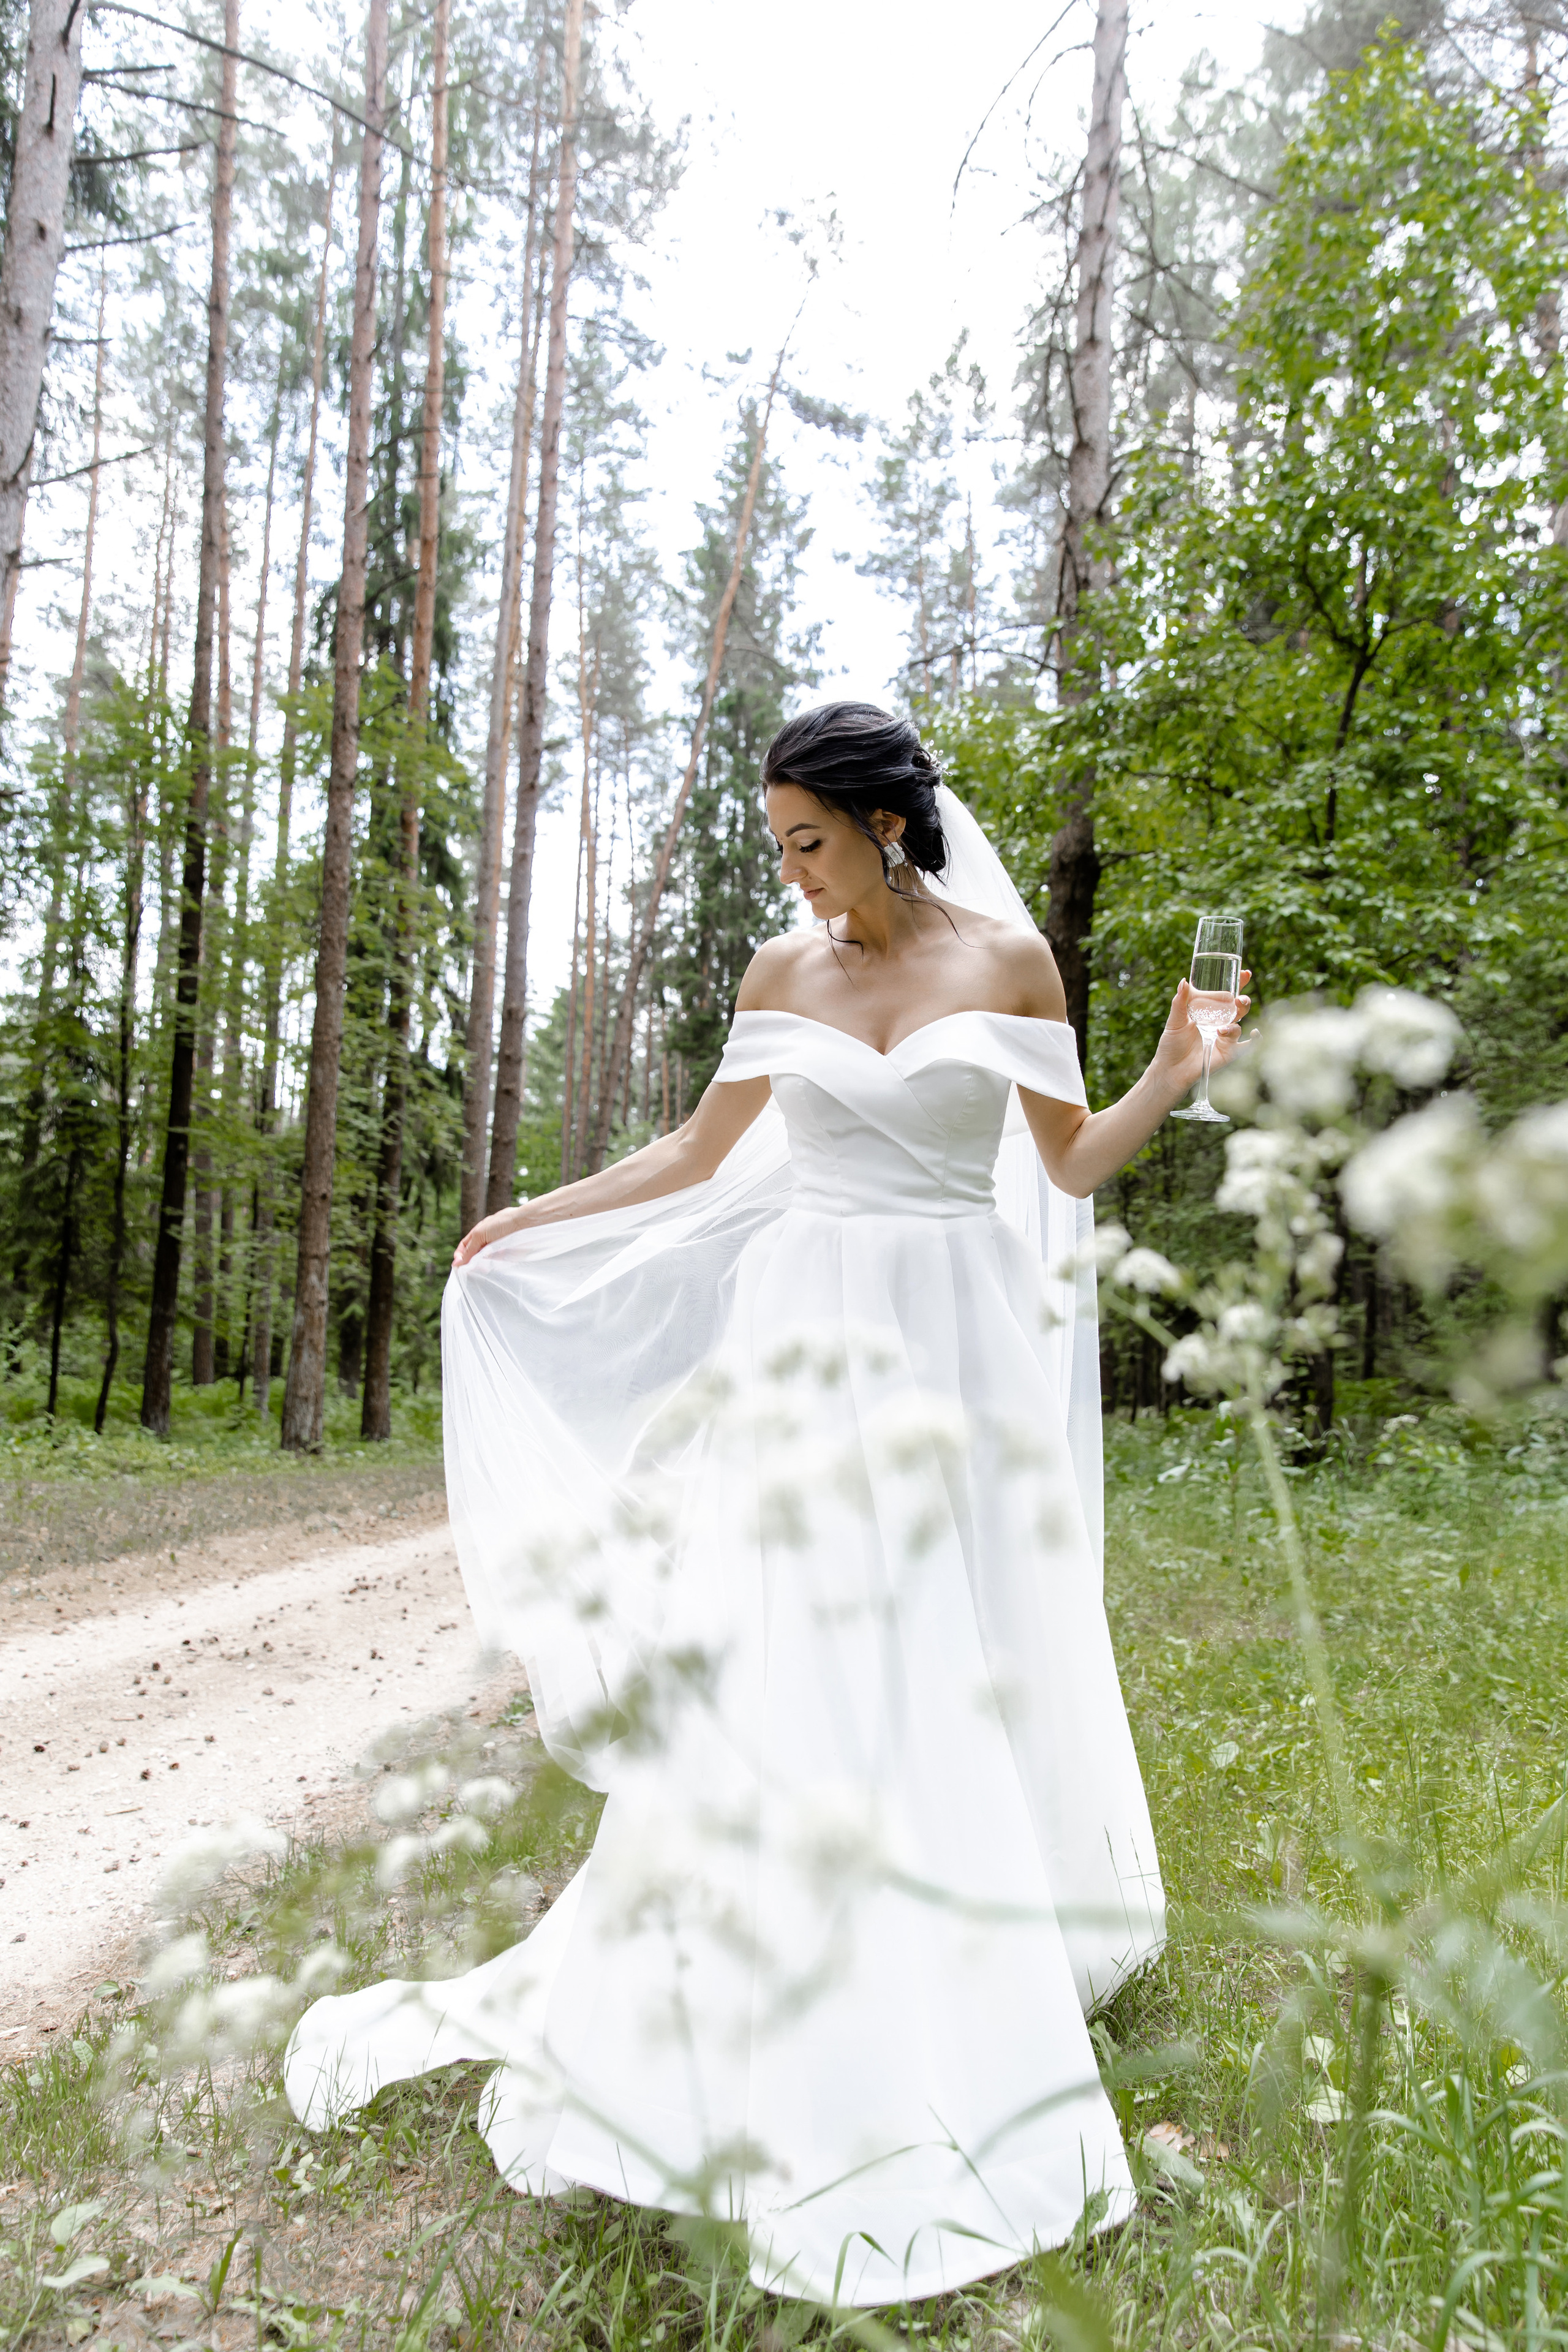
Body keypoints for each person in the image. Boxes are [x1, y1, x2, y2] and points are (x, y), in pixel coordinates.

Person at [285, 701, 1249, 2307]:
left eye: (811, 841)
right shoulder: (782, 976)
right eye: (779, 845)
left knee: (942, 1661)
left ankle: (955, 1983)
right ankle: (750, 1996)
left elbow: (1068, 1169)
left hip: (954, 1349)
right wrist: (531, 1211)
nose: (794, 875)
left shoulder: (1008, 966)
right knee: (784, 1659)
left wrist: (1175, 1064)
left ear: (887, 824)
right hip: (806, 1349)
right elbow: (692, 1149)